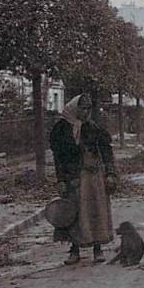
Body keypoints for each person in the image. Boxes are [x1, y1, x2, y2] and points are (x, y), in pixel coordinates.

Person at [50, 94, 118, 265]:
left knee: (96, 212)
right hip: (73, 177)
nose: (87, 112)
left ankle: (98, 248)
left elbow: (107, 152)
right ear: (75, 108)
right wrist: (61, 180)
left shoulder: (93, 128)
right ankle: (74, 250)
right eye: (83, 108)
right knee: (73, 213)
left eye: (89, 109)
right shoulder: (61, 130)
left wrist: (110, 173)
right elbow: (58, 158)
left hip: (94, 177)